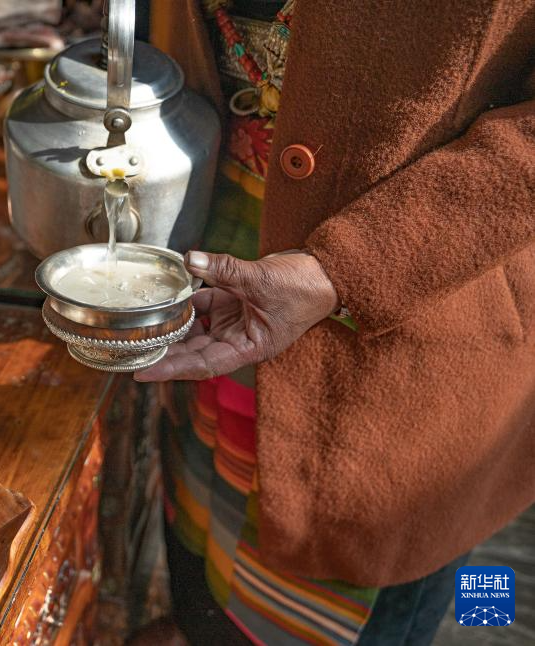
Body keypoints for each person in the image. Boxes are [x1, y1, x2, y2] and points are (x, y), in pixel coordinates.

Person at [130, 0, 535, 644]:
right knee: (205, 547)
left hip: (409, 308)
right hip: (211, 280)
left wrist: (347, 268)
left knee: (355, 570)